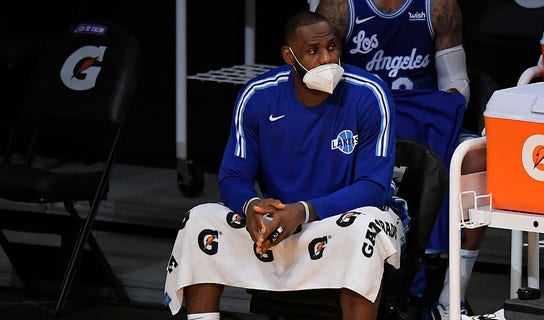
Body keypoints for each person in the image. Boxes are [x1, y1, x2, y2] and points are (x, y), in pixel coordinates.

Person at [163, 10, 403, 320]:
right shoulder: (258, 96)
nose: (327, 59)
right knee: (201, 218)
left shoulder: (370, 93)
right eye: (313, 51)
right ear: (289, 56)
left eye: (332, 47)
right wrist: (251, 207)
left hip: (342, 221)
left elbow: (374, 188)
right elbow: (233, 175)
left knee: (364, 227)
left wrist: (303, 210)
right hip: (281, 224)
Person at [315, 1, 487, 319]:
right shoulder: (340, 8)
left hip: (422, 124)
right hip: (361, 121)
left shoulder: (440, 6)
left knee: (477, 159)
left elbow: (457, 84)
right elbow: (322, 82)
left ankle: (452, 297)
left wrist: (421, 113)